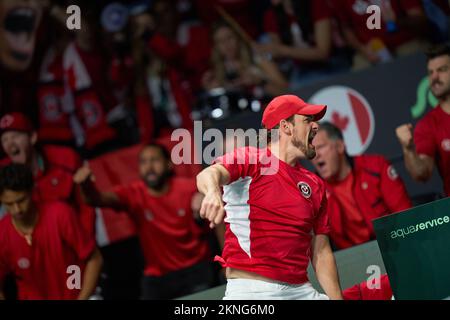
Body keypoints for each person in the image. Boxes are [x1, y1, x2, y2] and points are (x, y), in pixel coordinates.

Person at [196, 94, 343, 300]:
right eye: (308, 120)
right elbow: (209, 174)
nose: (316, 126)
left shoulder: (314, 184)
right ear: (286, 127)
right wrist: (212, 192)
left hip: (302, 290)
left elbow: (321, 250)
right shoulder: (252, 159)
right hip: (254, 292)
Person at [73, 143, 217, 299]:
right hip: (158, 278)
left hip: (196, 270)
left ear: (168, 164)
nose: (149, 167)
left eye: (155, 160)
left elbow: (222, 215)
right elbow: (98, 199)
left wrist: (208, 197)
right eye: (143, 162)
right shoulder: (134, 194)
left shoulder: (190, 188)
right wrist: (86, 185)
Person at [0, 163, 102, 300]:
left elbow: (94, 259)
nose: (17, 209)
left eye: (21, 200)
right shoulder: (2, 233)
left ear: (32, 191)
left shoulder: (60, 214)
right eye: (9, 204)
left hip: (74, 295)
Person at [311, 122, 412, 250]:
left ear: (340, 146)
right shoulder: (313, 191)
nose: (315, 155)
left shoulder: (376, 167)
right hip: (354, 261)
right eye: (311, 150)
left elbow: (406, 217)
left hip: (395, 247)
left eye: (320, 147)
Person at [0, 112, 95, 236]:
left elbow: (86, 206)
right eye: (4, 139)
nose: (10, 144)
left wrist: (85, 242)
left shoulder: (65, 159)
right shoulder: (2, 173)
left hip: (72, 240)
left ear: (33, 137)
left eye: (16, 136)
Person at [396, 43, 450, 197]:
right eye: (430, 72)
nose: (434, 77)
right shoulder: (428, 125)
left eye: (442, 70)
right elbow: (422, 173)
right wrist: (409, 149)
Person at [202, 20, 288, 98]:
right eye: (220, 41)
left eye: (229, 38)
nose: (226, 45)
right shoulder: (220, 73)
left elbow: (286, 91)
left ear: (238, 38)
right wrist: (212, 91)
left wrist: (260, 82)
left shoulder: (258, 59)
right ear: (216, 47)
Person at [335, 0, 429, 70]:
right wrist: (362, 49)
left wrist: (398, 21)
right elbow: (346, 28)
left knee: (417, 61)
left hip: (407, 42)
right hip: (369, 50)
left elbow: (421, 20)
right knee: (360, 72)